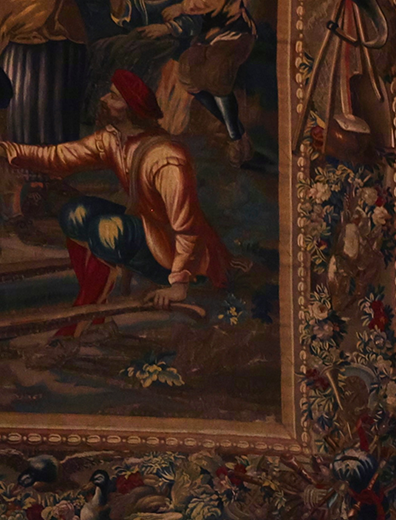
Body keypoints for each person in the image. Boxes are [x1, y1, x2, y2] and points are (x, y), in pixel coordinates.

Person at [1, 68, 231, 330]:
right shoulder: (114, 140)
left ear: (130, 110)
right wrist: (9, 150)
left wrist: (178, 285)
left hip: (172, 256)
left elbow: (186, 227)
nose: (103, 100)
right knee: (74, 213)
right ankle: (95, 313)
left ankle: (78, 323)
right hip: (147, 231)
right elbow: (59, 157)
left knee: (106, 231)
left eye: (113, 97)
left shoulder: (166, 159)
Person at [152, 0, 255, 166]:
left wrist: (181, 7)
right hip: (207, 38)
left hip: (235, 33)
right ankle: (235, 128)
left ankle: (235, 137)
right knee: (186, 71)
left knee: (216, 73)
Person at [0, 0, 105, 147]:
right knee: (24, 89)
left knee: (58, 89)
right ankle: (21, 153)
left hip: (58, 23)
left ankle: (55, 157)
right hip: (22, 17)